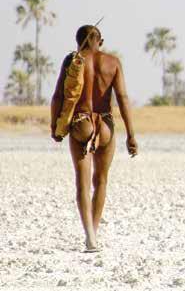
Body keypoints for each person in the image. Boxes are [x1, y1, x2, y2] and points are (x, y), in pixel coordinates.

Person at [50, 25, 138, 252]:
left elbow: (58, 95)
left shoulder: (73, 60)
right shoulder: (113, 62)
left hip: (81, 124)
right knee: (101, 181)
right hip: (106, 125)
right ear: (100, 41)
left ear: (78, 41)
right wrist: (131, 135)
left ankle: (89, 236)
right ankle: (95, 233)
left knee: (82, 182)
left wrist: (55, 126)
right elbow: (123, 98)